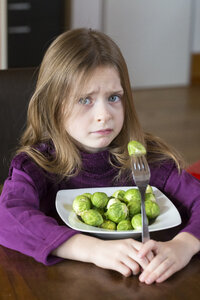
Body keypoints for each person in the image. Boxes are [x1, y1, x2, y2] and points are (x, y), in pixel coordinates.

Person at [0, 28, 199, 285]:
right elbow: (8, 217)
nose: (104, 114)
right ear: (54, 105)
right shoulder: (37, 166)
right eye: (85, 100)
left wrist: (184, 245)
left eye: (113, 97)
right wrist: (91, 249)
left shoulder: (148, 160)